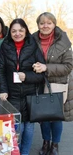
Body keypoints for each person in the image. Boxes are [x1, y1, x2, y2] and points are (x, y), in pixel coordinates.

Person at [0, 18, 45, 155]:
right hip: (12, 95)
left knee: (29, 128)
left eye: (20, 30)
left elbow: (42, 75)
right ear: (10, 33)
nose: (17, 33)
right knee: (16, 128)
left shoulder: (33, 46)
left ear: (26, 31)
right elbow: (0, 70)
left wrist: (27, 76)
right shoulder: (5, 46)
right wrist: (3, 89)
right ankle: (15, 152)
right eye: (14, 31)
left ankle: (24, 153)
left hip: (30, 94)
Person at [32, 12, 73, 155]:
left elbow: (68, 66)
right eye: (42, 23)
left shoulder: (64, 40)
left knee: (55, 116)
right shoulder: (32, 39)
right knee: (43, 117)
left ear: (54, 24)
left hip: (57, 84)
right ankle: (45, 143)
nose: (45, 26)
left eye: (49, 23)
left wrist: (46, 68)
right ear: (38, 25)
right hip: (38, 83)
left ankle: (55, 145)